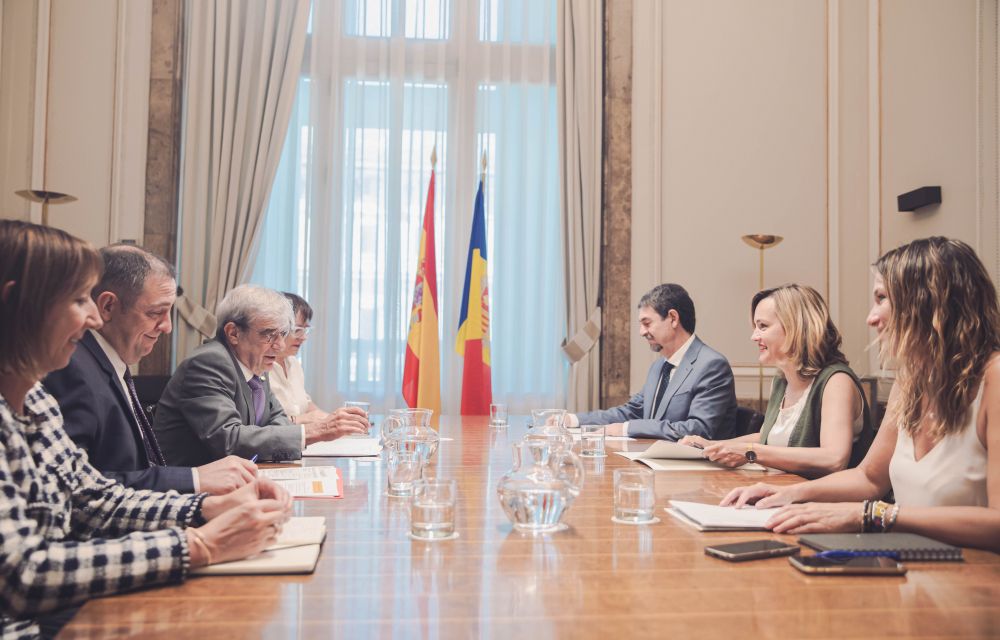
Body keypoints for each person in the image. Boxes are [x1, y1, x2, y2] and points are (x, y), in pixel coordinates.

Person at [0, 221, 291, 639]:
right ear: (16, 304)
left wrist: (207, 509)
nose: (92, 317)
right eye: (78, 299)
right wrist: (199, 545)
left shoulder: (36, 402)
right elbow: (21, 575)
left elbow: (93, 498)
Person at [723, 237, 1000, 552]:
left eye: (882, 298)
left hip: (975, 576)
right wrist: (789, 494)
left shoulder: (994, 378)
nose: (871, 317)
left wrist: (872, 514)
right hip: (907, 563)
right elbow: (869, 478)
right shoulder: (910, 381)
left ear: (929, 303)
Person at [45, 245, 257, 494]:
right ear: (108, 307)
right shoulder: (72, 368)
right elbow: (78, 487)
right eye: (156, 313)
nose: (167, 326)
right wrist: (195, 480)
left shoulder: (108, 360)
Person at [153, 285, 369, 466]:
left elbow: (278, 421)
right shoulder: (208, 363)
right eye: (269, 335)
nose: (280, 345)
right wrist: (319, 429)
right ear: (233, 333)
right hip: (187, 490)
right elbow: (229, 440)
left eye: (283, 334)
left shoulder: (256, 365)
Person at [680, 285, 874, 477]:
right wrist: (712, 446)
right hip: (782, 489)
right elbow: (768, 437)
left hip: (822, 496)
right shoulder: (781, 380)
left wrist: (751, 453)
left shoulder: (836, 381)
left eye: (763, 326)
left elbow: (833, 459)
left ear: (795, 327)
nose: (754, 336)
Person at [568, 283, 737, 440]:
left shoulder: (712, 365)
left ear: (673, 318)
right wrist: (573, 420)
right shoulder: (659, 366)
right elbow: (632, 411)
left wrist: (626, 429)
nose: (642, 332)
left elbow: (698, 429)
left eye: (647, 323)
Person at [269, 292, 330, 424]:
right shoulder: (259, 367)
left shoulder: (293, 362)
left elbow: (306, 404)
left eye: (305, 330)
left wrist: (334, 419)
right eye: (297, 330)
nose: (303, 337)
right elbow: (259, 424)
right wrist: (301, 419)